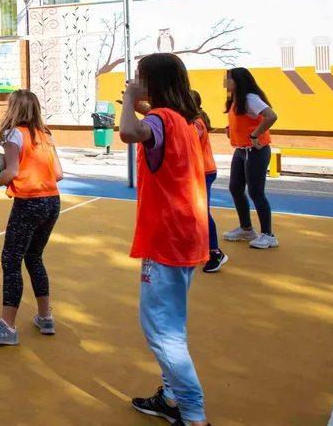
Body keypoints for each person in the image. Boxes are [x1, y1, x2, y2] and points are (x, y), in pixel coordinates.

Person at [120, 53, 211, 426]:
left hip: (168, 239)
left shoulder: (159, 120)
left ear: (152, 82)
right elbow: (156, 119)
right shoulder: (188, 120)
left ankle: (192, 413)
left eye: (141, 77)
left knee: (161, 331)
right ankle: (172, 398)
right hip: (189, 236)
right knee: (172, 323)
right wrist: (139, 101)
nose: (136, 81)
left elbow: (129, 133)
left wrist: (129, 101)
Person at [0, 89, 64, 346]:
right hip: (52, 202)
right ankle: (45, 317)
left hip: (30, 204)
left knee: (11, 260)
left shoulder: (14, 134)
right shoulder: (45, 135)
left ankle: (7, 327)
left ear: (16, 109)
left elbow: (12, 171)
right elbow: (57, 174)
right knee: (34, 257)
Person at [222, 68, 279, 249]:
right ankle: (246, 228)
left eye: (227, 79)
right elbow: (246, 120)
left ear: (237, 81)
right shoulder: (237, 101)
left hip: (256, 151)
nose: (224, 82)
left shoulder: (250, 98)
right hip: (241, 151)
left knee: (256, 192)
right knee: (235, 188)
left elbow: (271, 116)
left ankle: (269, 235)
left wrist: (255, 135)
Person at [192, 91, 226, 273]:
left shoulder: (196, 123)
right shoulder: (193, 120)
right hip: (199, 172)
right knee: (194, 212)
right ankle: (202, 247)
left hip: (203, 172)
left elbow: (188, 137)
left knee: (202, 212)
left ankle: (215, 252)